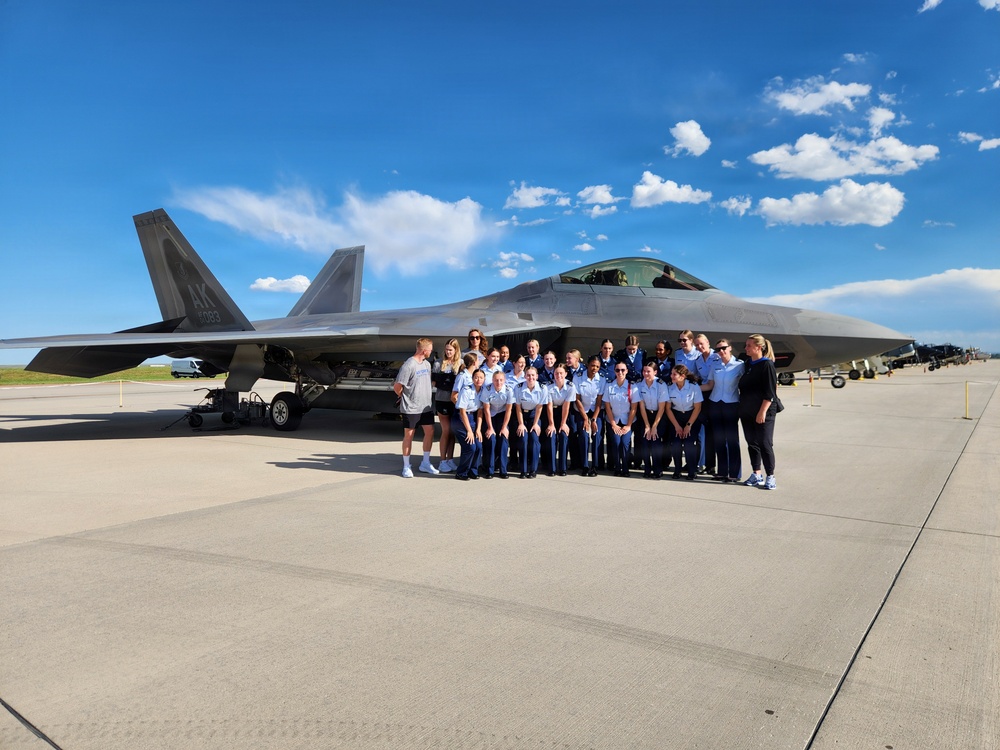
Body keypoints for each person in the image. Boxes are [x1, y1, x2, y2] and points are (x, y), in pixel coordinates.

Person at [393, 337, 438, 477]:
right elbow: (397, 386)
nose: (431, 352)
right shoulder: (409, 365)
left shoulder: (427, 365)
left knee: (430, 431)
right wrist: (405, 397)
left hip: (426, 407)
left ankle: (425, 462)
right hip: (411, 408)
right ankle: (406, 466)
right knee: (409, 435)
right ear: (424, 350)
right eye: (430, 349)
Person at [739, 334, 778, 490]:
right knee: (752, 443)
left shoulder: (766, 365)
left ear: (759, 347)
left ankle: (770, 476)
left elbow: (770, 393)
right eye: (746, 345)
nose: (746, 348)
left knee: (764, 443)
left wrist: (762, 412)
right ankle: (757, 474)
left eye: (749, 345)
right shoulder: (748, 364)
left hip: (764, 410)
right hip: (747, 410)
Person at [704, 338, 744, 483]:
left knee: (732, 440)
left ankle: (734, 473)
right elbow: (709, 385)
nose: (721, 351)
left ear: (730, 348)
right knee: (719, 439)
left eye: (723, 348)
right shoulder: (715, 365)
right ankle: (722, 472)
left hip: (731, 404)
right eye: (718, 349)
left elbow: (745, 385)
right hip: (715, 403)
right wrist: (690, 388)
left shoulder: (739, 365)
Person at [665, 364, 703, 480]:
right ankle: (677, 470)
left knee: (689, 444)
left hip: (691, 417)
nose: (671, 376)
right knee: (676, 444)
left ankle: (692, 470)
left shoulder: (693, 386)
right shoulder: (670, 387)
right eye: (671, 374)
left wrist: (688, 425)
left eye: (674, 374)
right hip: (676, 417)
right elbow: (668, 408)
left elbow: (698, 408)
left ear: (682, 376)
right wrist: (676, 426)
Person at [432, 338, 462, 472]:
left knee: (452, 431)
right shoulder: (439, 363)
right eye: (447, 349)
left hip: (455, 401)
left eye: (451, 350)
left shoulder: (460, 363)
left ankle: (450, 459)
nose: (448, 352)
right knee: (446, 431)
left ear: (456, 350)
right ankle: (442, 460)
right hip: (442, 399)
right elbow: (434, 382)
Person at [692, 334, 720, 475]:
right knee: (704, 431)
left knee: (715, 432)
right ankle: (705, 463)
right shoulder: (698, 360)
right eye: (697, 345)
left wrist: (692, 389)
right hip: (704, 395)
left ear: (708, 342)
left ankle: (713, 465)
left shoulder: (717, 357)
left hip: (716, 396)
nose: (699, 347)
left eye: (701, 344)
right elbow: (698, 378)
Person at [633, 363, 667, 478]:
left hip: (659, 415)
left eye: (649, 371)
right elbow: (641, 406)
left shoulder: (661, 385)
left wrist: (654, 427)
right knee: (645, 440)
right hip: (645, 415)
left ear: (655, 372)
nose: (646, 374)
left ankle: (658, 469)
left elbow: (662, 408)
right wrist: (647, 425)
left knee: (655, 441)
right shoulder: (639, 384)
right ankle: (647, 469)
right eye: (644, 371)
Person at [574, 355, 606, 477]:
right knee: (583, 435)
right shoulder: (578, 377)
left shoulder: (601, 379)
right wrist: (585, 418)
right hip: (581, 410)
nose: (594, 368)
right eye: (592, 365)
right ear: (587, 365)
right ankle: (585, 465)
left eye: (597, 366)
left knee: (596, 435)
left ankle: (595, 466)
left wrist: (593, 419)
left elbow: (599, 401)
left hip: (596, 411)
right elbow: (577, 399)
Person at [603, 362, 637, 476]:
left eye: (623, 370)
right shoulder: (609, 386)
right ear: (614, 371)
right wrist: (613, 424)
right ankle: (617, 467)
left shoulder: (632, 386)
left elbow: (633, 408)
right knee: (616, 443)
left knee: (625, 443)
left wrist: (628, 425)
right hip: (614, 420)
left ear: (627, 371)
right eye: (617, 370)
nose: (620, 372)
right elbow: (607, 407)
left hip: (628, 421)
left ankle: (626, 468)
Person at [515, 367, 548, 478]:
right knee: (523, 439)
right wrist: (521, 424)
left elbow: (539, 407)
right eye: (528, 375)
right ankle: (523, 470)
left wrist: (535, 424)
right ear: (524, 376)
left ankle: (533, 470)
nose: (530, 377)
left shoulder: (543, 388)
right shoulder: (518, 388)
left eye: (533, 375)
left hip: (534, 415)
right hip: (522, 416)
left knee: (534, 439)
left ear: (537, 376)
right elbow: (518, 408)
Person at [452, 368, 485, 480]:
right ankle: (461, 472)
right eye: (476, 377)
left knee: (479, 446)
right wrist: (470, 431)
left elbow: (480, 411)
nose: (478, 380)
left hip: (473, 418)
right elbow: (462, 411)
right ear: (472, 378)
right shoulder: (466, 390)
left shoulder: (483, 391)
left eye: (481, 377)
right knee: (470, 447)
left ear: (484, 379)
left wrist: (478, 430)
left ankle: (473, 470)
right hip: (460, 419)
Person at [481, 369, 515, 479]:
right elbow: (486, 410)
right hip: (490, 415)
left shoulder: (509, 390)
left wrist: (504, 427)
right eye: (496, 380)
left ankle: (503, 470)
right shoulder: (487, 389)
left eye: (501, 380)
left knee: (504, 440)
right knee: (491, 439)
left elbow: (509, 410)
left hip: (502, 414)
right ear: (492, 380)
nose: (498, 383)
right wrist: (490, 428)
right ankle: (490, 470)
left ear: (504, 380)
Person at [545, 363, 577, 476]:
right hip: (552, 413)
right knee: (551, 435)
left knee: (564, 436)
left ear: (566, 374)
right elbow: (549, 406)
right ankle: (552, 468)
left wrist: (563, 423)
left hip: (565, 413)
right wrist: (551, 424)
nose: (558, 375)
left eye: (561, 373)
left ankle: (562, 468)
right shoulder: (548, 386)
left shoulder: (571, 386)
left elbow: (566, 406)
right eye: (556, 373)